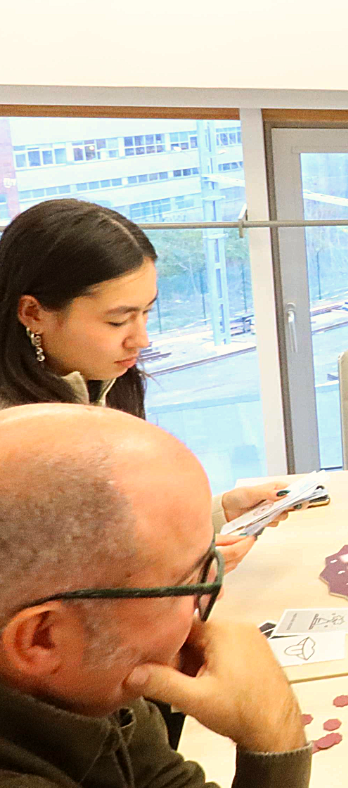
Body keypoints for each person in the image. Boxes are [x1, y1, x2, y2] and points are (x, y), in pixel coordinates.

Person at [0, 404, 311, 787]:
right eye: (192, 582)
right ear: (44, 638)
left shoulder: (93, 684)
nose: (216, 591)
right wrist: (274, 737)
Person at [0, 199, 298, 571]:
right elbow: (42, 581)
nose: (141, 339)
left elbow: (109, 535)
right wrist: (175, 574)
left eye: (147, 313)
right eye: (117, 321)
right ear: (33, 313)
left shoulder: (100, 384)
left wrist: (220, 515)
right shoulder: (13, 439)